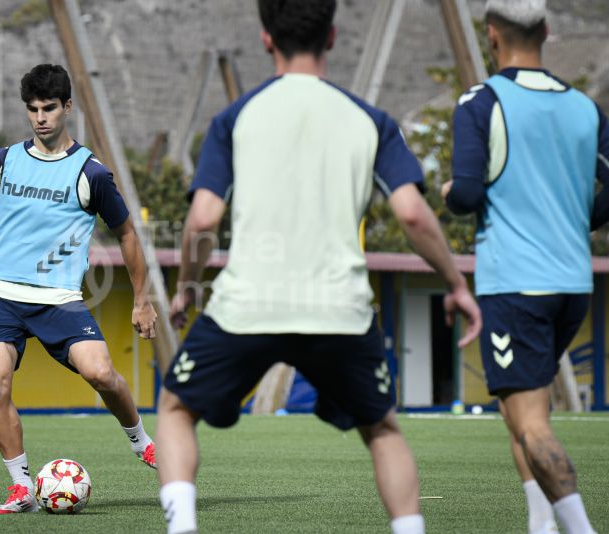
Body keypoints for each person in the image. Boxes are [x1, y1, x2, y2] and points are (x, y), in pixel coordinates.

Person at [155, 1, 482, 533]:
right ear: (331, 36)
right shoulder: (369, 119)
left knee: (174, 408)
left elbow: (202, 221)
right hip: (341, 313)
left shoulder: (235, 117)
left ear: (266, 39)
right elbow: (413, 214)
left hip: (247, 309)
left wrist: (187, 288)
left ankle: (183, 526)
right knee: (382, 430)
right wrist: (455, 284)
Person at [0, 64, 158, 515]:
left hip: (58, 300)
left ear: (67, 107)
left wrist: (142, 302)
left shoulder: (92, 174)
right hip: (1, 294)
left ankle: (142, 441)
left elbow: (127, 234)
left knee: (101, 373)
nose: (41, 117)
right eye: (33, 109)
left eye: (49, 108)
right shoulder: (4, 160)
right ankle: (21, 487)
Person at [443, 1, 606, 533]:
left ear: (491, 35)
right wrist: (577, 219)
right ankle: (539, 523)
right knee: (518, 409)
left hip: (515, 283)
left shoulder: (480, 102)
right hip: (571, 283)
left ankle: (578, 527)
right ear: (547, 31)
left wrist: (449, 191)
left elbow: (466, 194)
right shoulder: (584, 106)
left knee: (532, 424)